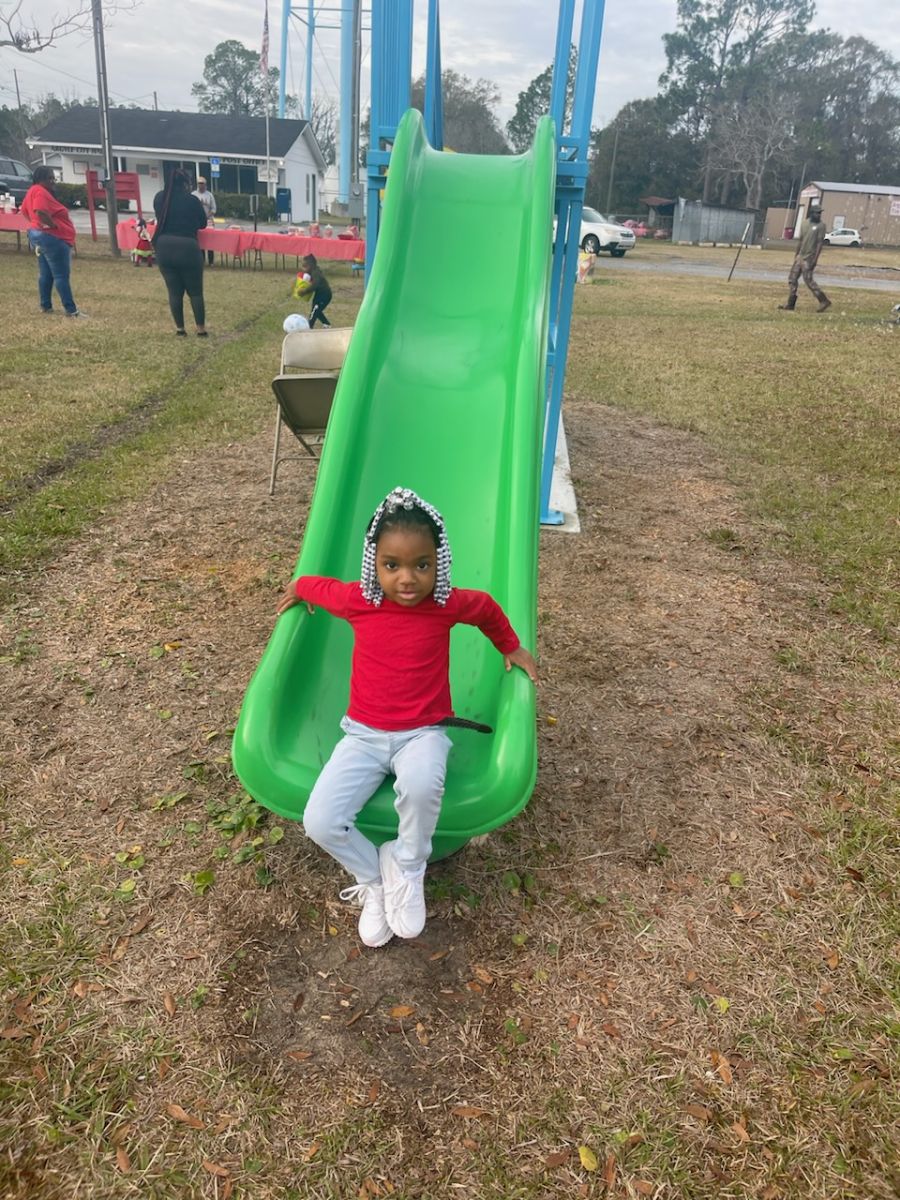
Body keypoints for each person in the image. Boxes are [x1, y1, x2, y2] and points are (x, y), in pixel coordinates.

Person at [275, 486, 539, 948]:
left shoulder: (446, 604)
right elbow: (320, 586)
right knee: (320, 820)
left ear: (438, 562)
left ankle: (409, 865)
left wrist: (511, 646)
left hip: (423, 732)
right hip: (362, 735)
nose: (407, 578)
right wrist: (298, 588)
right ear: (374, 565)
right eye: (391, 565)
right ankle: (376, 877)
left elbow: (487, 610)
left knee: (420, 785)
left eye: (421, 564)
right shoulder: (361, 600)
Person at [20, 165, 82, 317]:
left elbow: (24, 211)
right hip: (53, 238)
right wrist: (52, 225)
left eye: (54, 178)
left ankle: (45, 306)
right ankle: (71, 310)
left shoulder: (32, 191)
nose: (53, 181)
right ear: (42, 178)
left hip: (39, 236)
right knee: (61, 276)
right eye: (50, 178)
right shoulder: (40, 191)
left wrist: (36, 225)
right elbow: (40, 211)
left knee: (46, 273)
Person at [153, 168, 209, 336]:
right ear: (185, 184)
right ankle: (200, 329)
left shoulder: (160, 198)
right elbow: (202, 224)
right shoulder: (192, 201)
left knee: (174, 292)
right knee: (195, 292)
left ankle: (180, 329)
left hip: (164, 247)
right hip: (187, 247)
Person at [779, 203, 831, 313]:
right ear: (811, 213)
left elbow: (819, 243)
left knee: (809, 281)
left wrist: (815, 260)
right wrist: (796, 255)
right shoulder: (804, 224)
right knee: (792, 279)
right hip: (800, 257)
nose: (819, 215)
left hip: (809, 257)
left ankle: (824, 300)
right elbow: (801, 240)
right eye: (817, 213)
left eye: (820, 213)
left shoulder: (821, 226)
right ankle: (791, 303)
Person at [302, 254, 333, 327]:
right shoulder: (313, 271)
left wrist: (305, 291)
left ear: (311, 265)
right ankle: (326, 324)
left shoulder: (316, 273)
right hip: (319, 295)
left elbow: (315, 284)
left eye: (305, 266)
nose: (304, 269)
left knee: (315, 311)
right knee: (316, 310)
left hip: (324, 295)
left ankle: (309, 326)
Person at [191, 176, 216, 266]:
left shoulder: (209, 195)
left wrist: (208, 216)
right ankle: (201, 260)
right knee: (199, 241)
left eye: (202, 184)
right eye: (199, 184)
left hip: (208, 220)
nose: (201, 186)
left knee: (210, 241)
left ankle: (211, 261)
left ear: (205, 185)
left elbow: (214, 209)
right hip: (196, 221)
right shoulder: (193, 194)